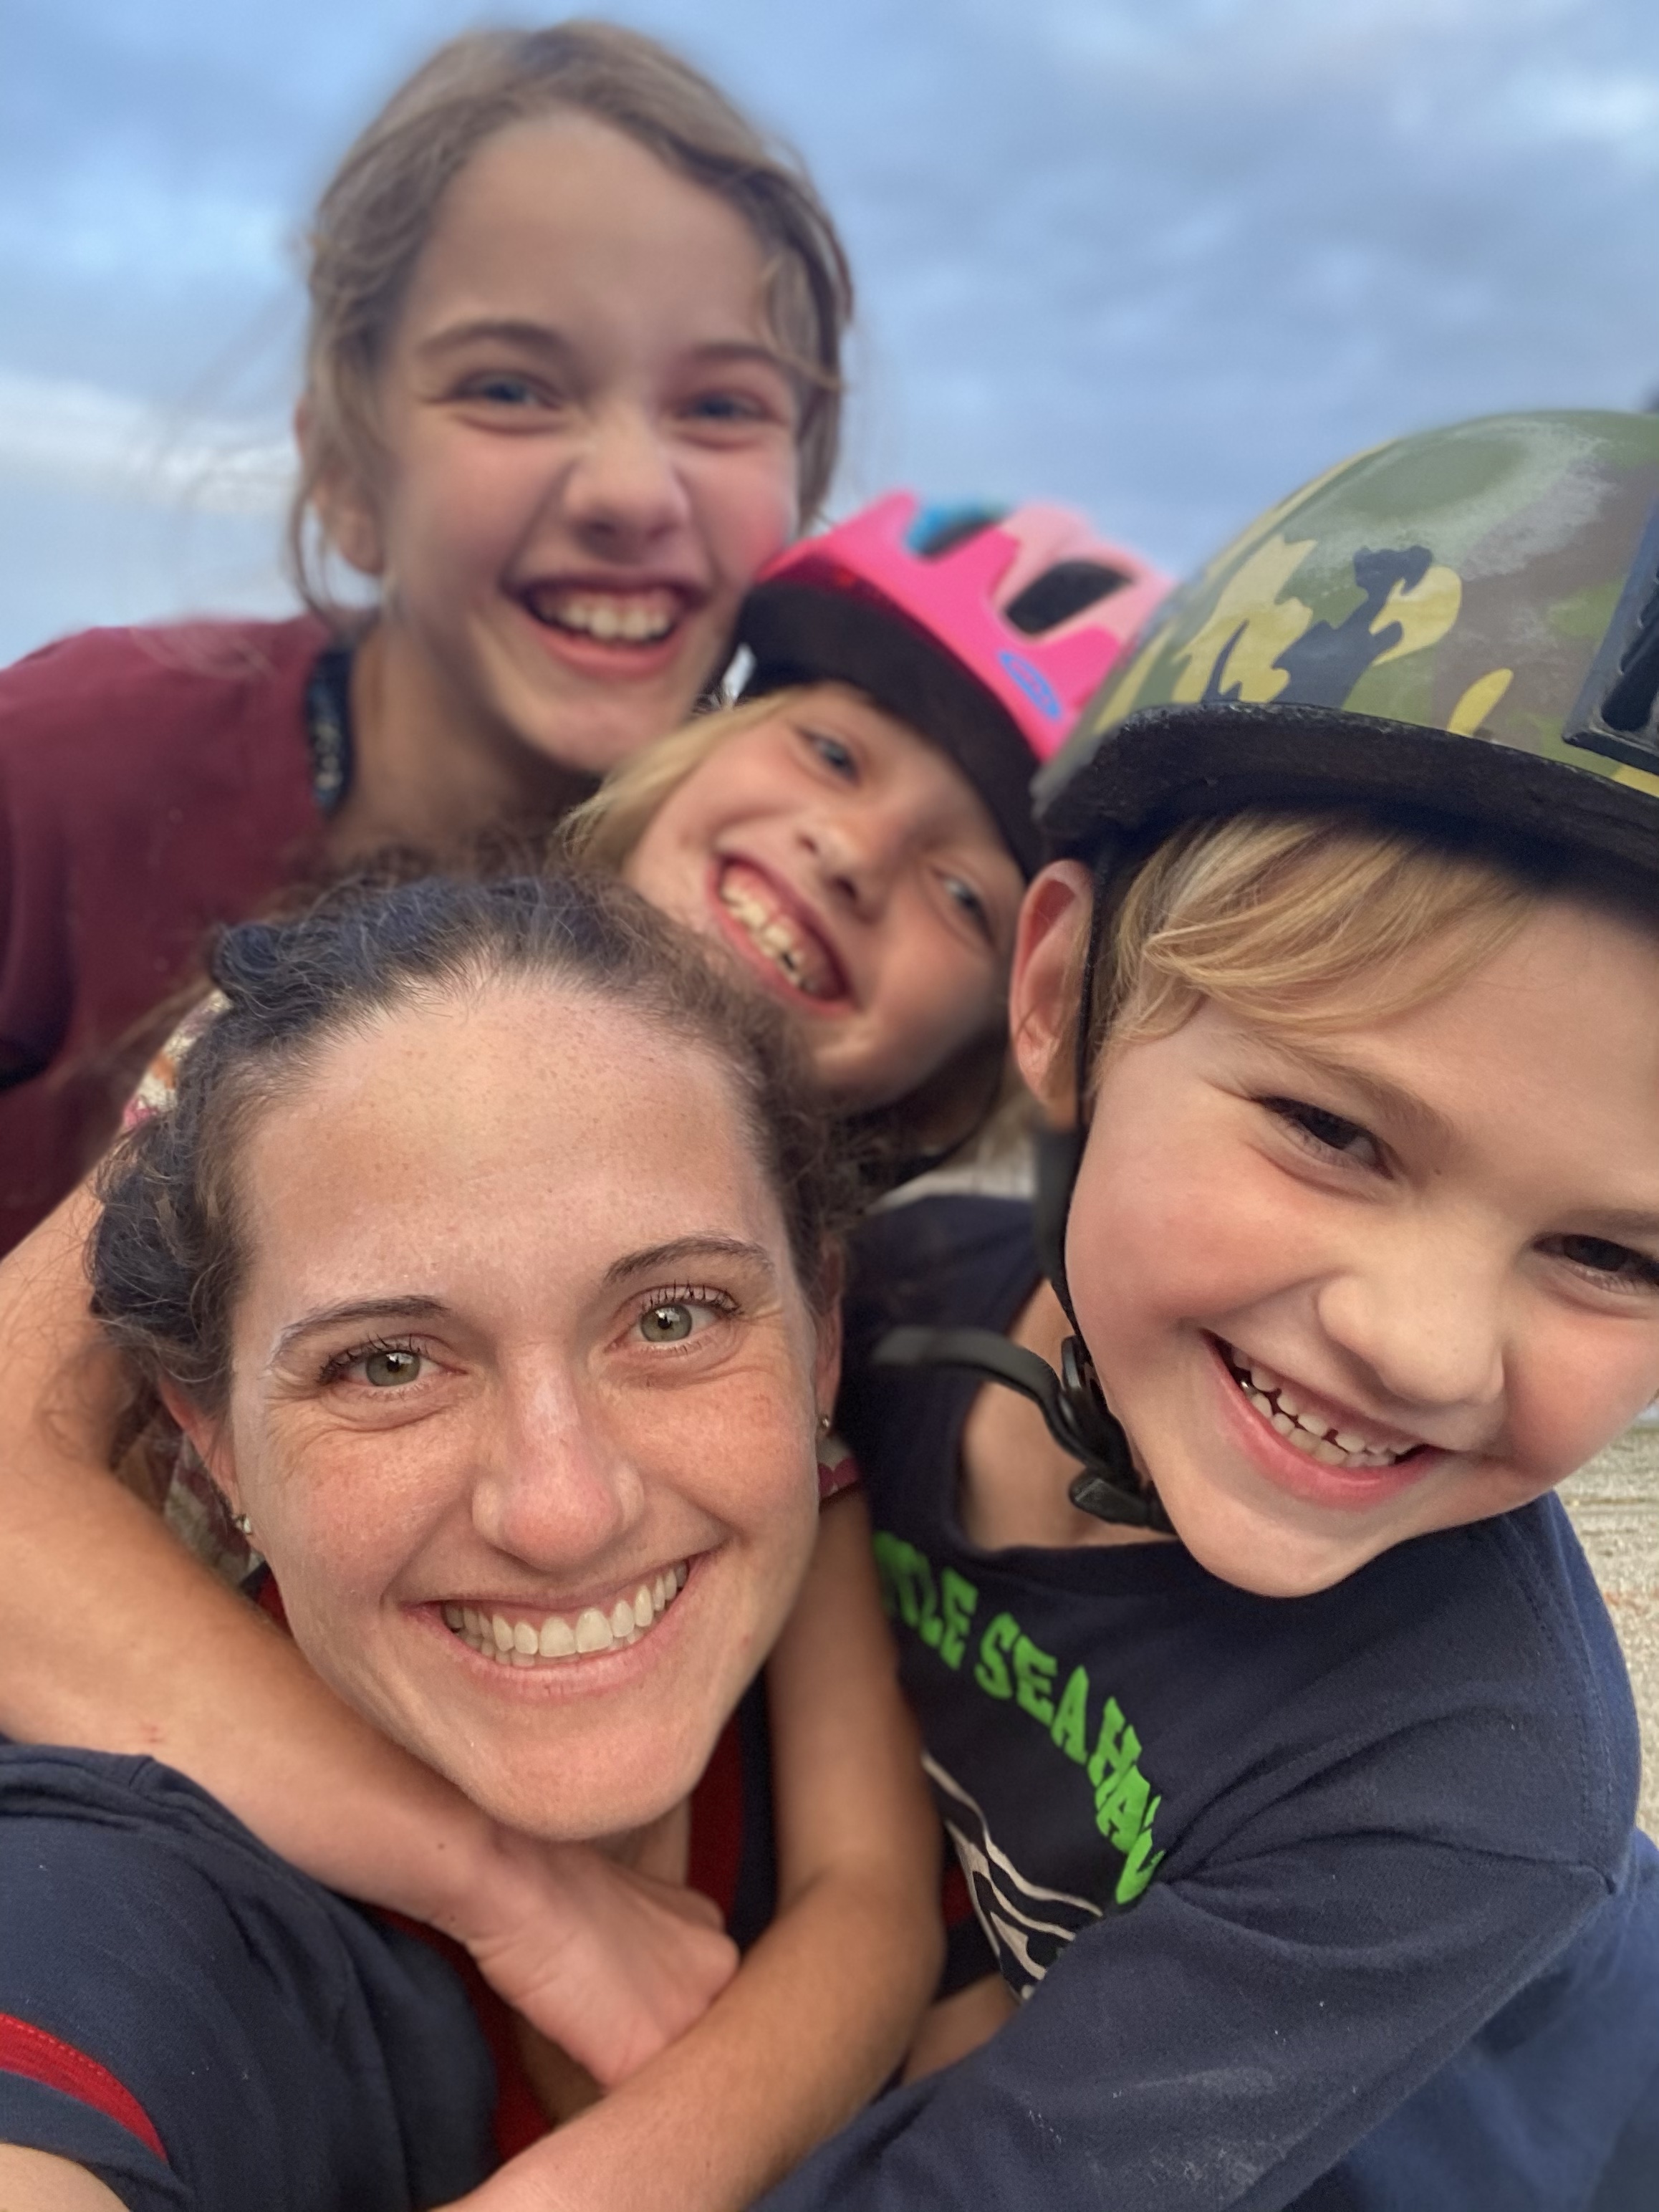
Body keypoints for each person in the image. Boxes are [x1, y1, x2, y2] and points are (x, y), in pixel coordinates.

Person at [0, 488, 1167, 2137]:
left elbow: (867, 1897)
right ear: (696, 747)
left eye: (965, 892)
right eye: (832, 752)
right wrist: (513, 1888)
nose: (853, 852)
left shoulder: (794, 1336)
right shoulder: (321, 1042)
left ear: (978, 1048)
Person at [756, 411, 1659, 2210]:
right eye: (1332, 1131)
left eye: (1615, 1254)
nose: (1419, 1341)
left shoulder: (1466, 1768)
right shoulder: (892, 1307)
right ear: (1060, 994)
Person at [0, 867, 941, 2212]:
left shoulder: (873, 1668)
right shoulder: (117, 1895)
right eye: (387, 1363)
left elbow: (881, 1915)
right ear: (210, 1436)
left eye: (673, 1318)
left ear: (820, 1338)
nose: (563, 1514)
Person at [0, 19, 852, 1254]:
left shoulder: (794, 918)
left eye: (721, 406)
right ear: (347, 474)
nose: (631, 490)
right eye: (510, 388)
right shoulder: (64, 775)